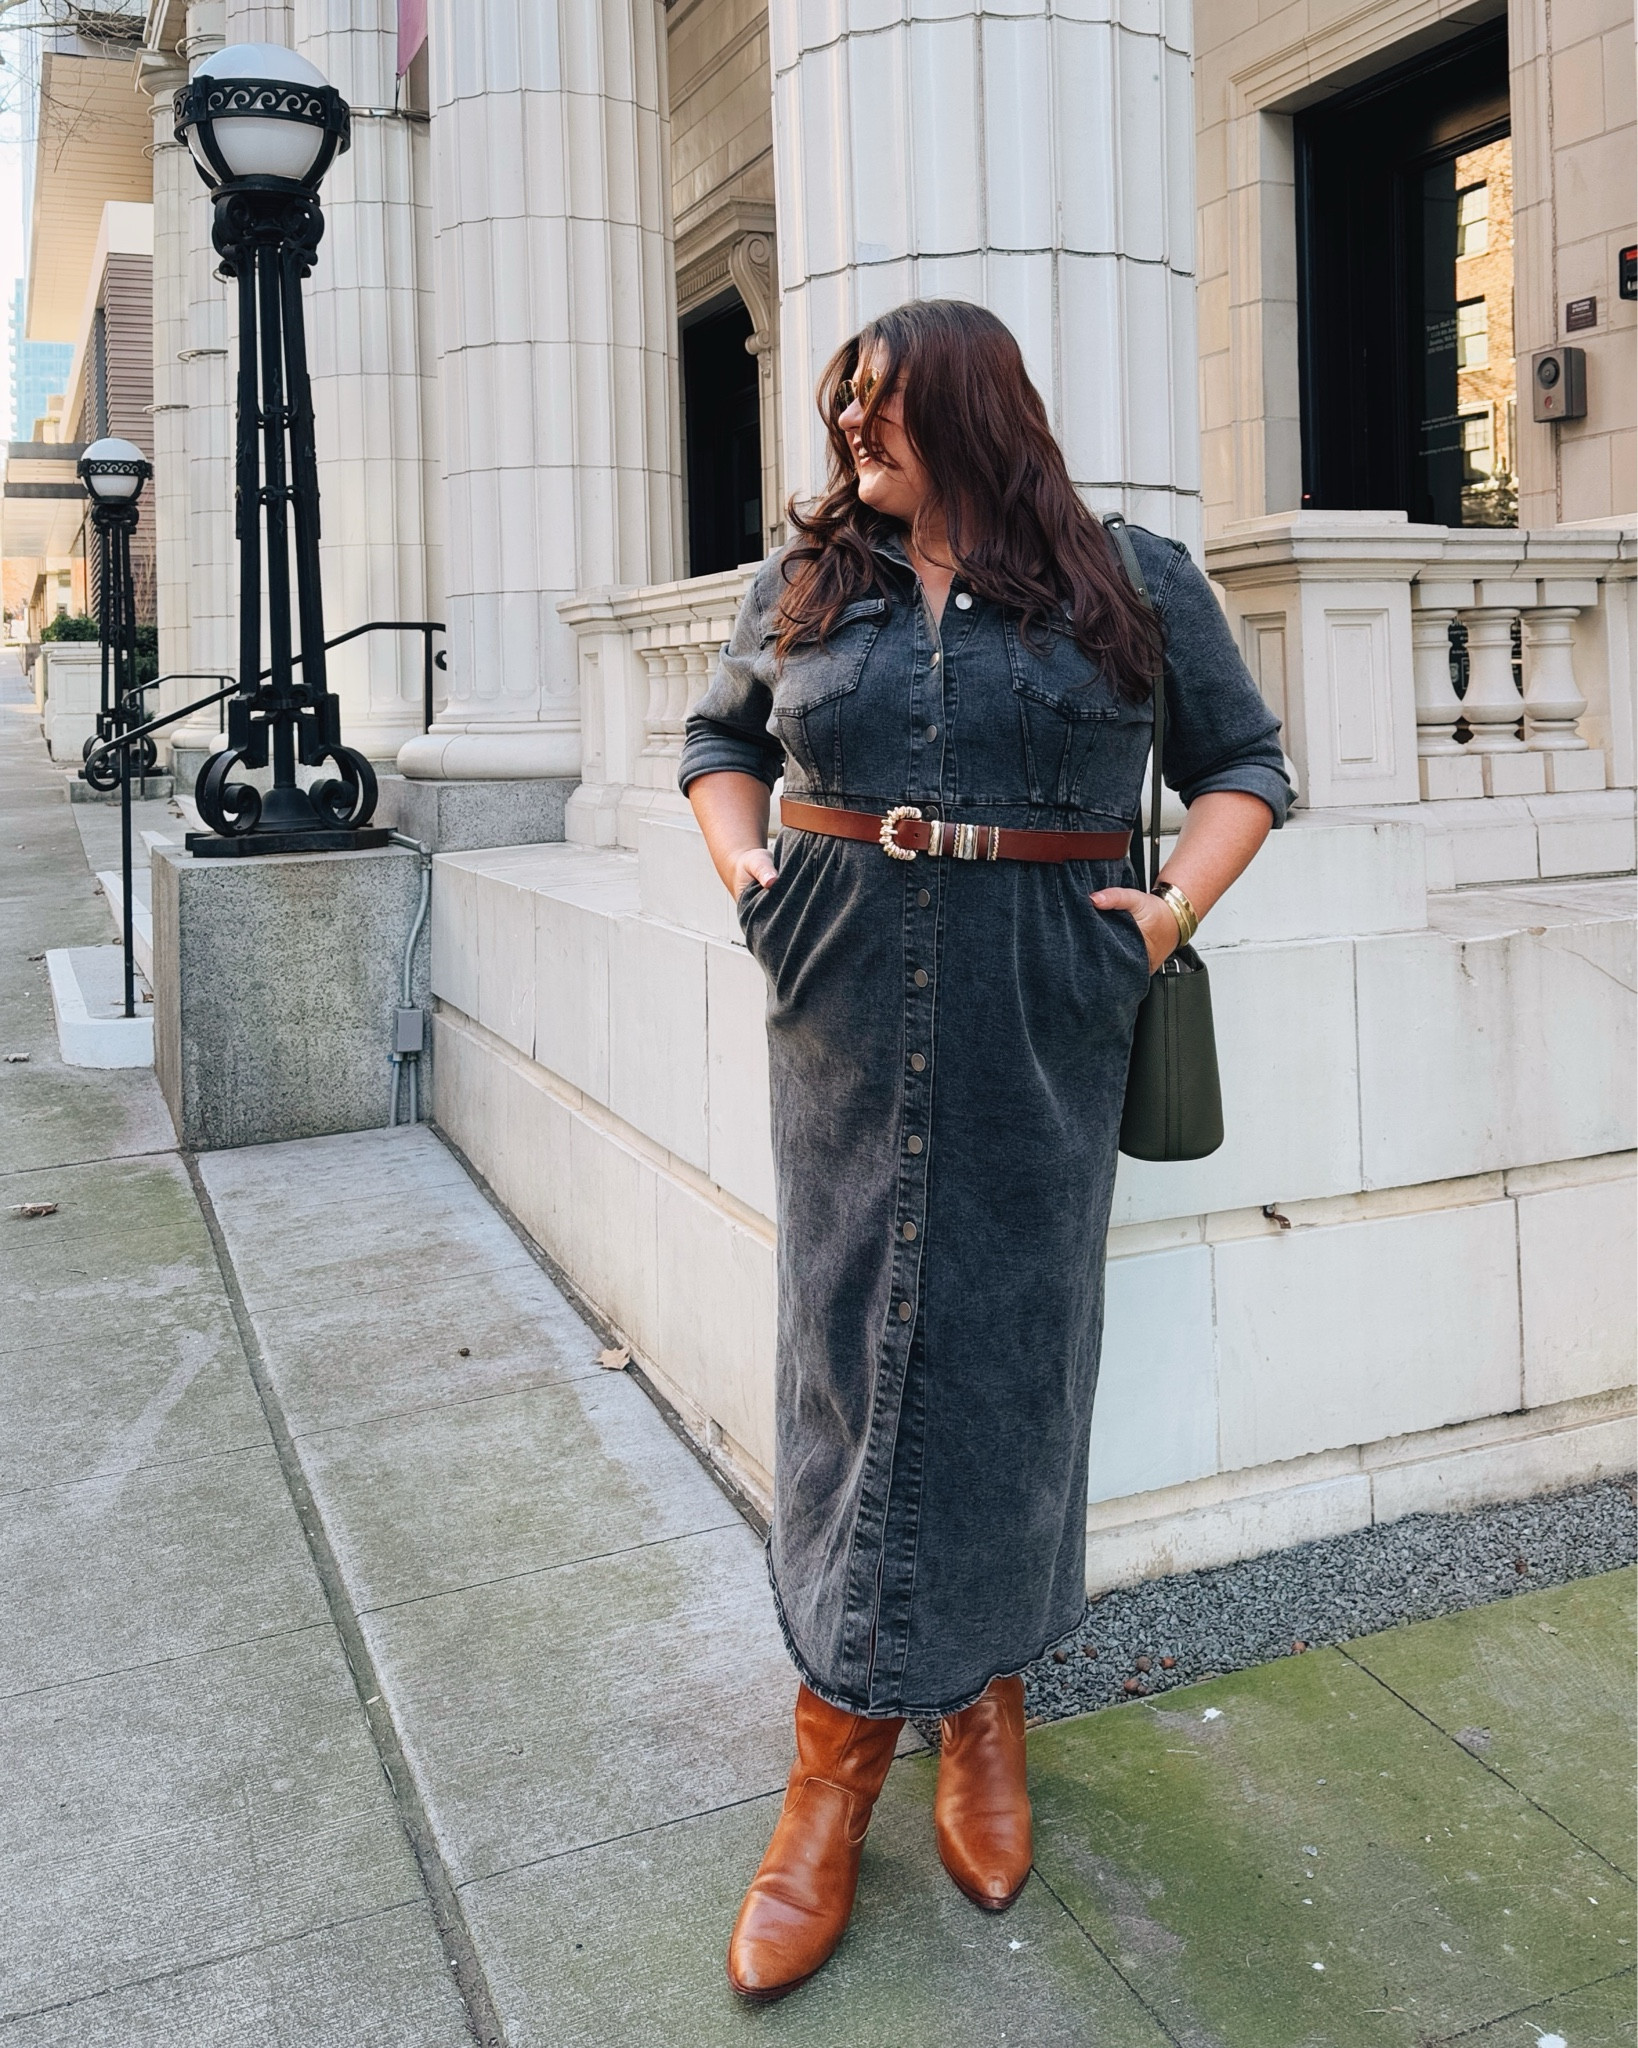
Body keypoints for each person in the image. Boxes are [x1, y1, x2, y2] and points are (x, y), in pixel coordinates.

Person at [679, 298, 1291, 2004]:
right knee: (848, 1347)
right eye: (843, 403)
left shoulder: (1130, 578)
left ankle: (982, 1711)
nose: (851, 428)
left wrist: (1164, 915)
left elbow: (1243, 764)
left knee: (1015, 1353)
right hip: (843, 984)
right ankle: (829, 1770)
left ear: (974, 407)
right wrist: (750, 880)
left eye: (882, 402)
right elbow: (719, 743)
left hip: (1044, 996)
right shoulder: (806, 580)